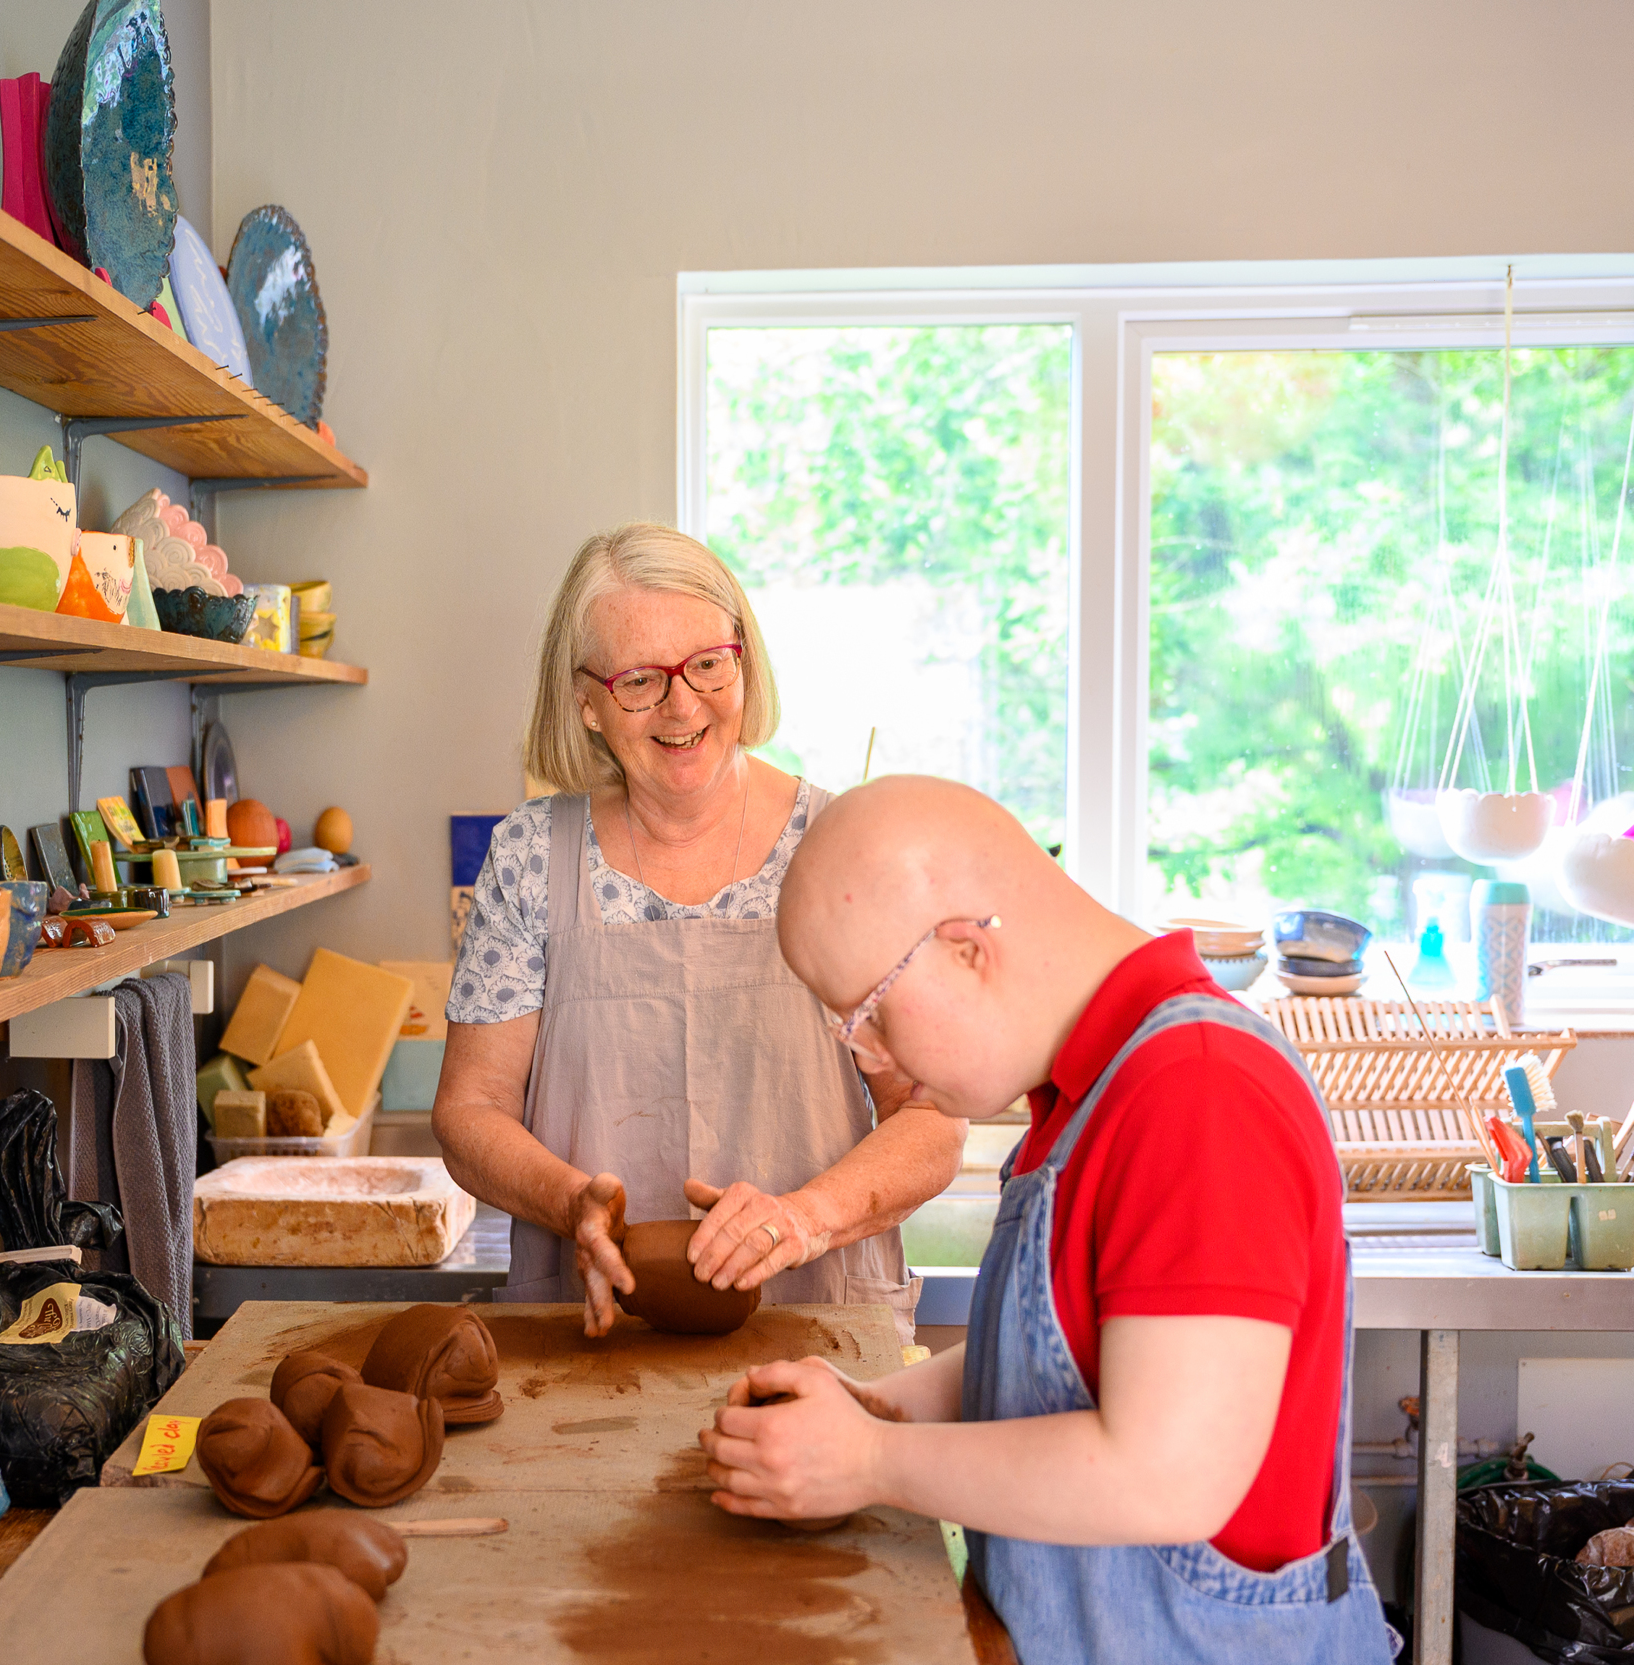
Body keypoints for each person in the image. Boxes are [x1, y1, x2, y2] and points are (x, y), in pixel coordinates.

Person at [701, 775, 1391, 1664]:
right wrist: (873, 1409)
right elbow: (1062, 1357)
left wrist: (871, 1461)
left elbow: (1166, 1473)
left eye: (864, 1017)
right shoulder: (1081, 1091)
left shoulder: (1199, 1090)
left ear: (964, 949)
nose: (867, 1054)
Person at [430, 524, 965, 1339]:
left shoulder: (844, 850)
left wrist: (802, 1219)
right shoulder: (531, 856)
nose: (683, 706)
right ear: (587, 701)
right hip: (590, 1344)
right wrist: (570, 1202)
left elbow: (931, 1121)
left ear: (743, 660)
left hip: (816, 1335)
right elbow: (470, 1111)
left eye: (707, 663)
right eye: (640, 679)